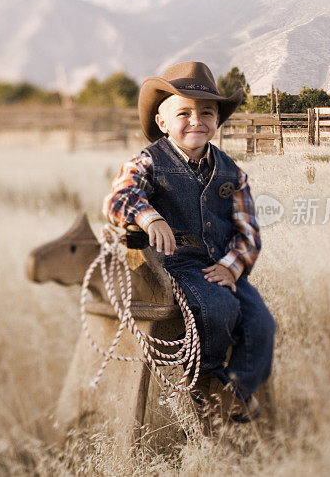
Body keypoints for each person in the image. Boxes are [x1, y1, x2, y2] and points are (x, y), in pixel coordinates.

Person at [102, 61, 276, 422]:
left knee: (261, 322)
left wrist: (232, 267)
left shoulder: (232, 172)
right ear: (163, 123)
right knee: (217, 307)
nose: (196, 120)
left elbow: (248, 231)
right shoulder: (149, 162)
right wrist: (149, 216)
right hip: (176, 265)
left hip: (221, 265)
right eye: (184, 112)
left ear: (217, 121)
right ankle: (206, 380)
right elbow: (119, 197)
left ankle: (236, 391)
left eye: (207, 112)